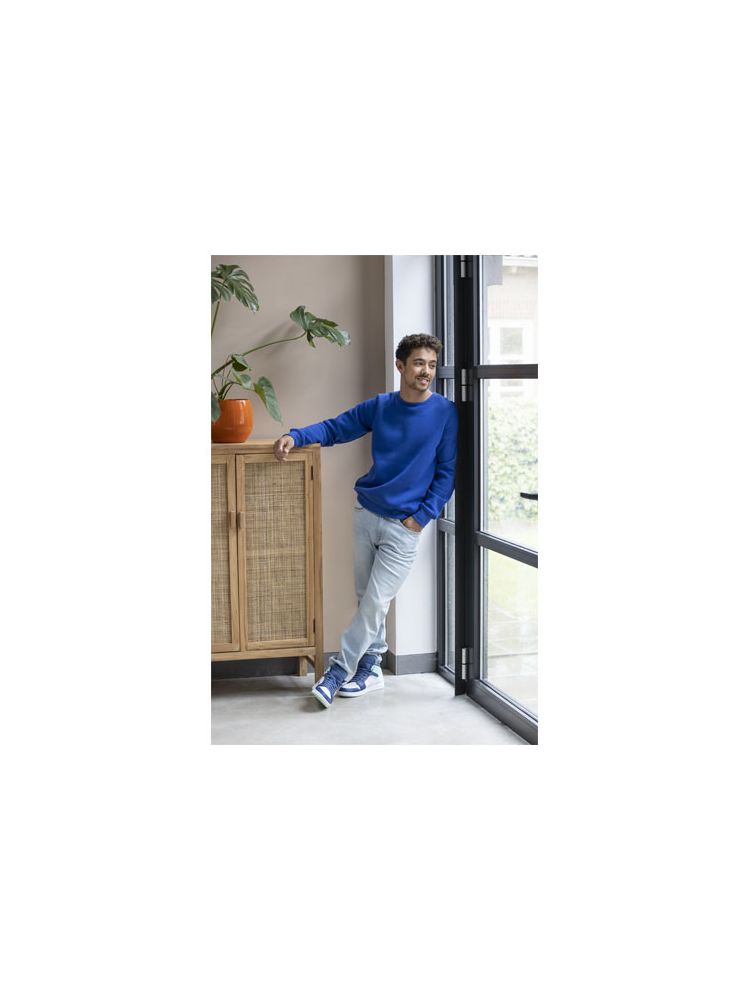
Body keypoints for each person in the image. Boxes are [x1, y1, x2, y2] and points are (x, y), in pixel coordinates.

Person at [273, 334, 459, 708]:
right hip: (367, 513)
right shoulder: (381, 406)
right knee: (366, 600)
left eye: (431, 365)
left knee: (374, 602)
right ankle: (371, 667)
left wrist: (421, 517)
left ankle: (338, 672)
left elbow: (447, 471)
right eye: (418, 363)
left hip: (404, 527)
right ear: (400, 365)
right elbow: (336, 428)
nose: (426, 371)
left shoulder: (445, 413)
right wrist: (296, 436)